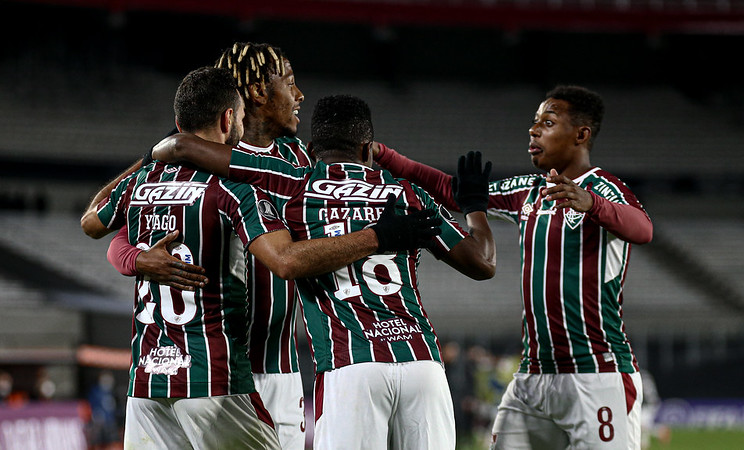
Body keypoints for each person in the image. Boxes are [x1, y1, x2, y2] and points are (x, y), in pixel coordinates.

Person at [80, 68, 440, 449]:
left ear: (176, 123)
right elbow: (284, 260)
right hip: (212, 379)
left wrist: (142, 176)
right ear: (228, 119)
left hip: (146, 381)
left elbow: (92, 221)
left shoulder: (140, 183)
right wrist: (377, 236)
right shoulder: (233, 189)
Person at [151, 93, 497, 449]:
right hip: (423, 363)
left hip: (350, 365)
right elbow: (482, 263)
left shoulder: (293, 183)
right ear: (368, 150)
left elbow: (177, 146)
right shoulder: (407, 194)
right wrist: (475, 207)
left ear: (313, 149)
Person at [369, 85, 654, 449]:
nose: (533, 130)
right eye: (534, 122)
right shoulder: (529, 191)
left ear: (581, 134)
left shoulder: (604, 188)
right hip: (532, 376)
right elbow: (458, 193)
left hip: (597, 373)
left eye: (547, 123)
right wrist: (385, 155)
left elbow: (643, 229)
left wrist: (593, 204)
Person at [105, 42, 316, 449]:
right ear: (252, 96)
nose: (299, 95)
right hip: (215, 367)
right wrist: (137, 259)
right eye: (290, 83)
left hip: (276, 366)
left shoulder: (298, 158)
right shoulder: (194, 158)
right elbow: (117, 237)